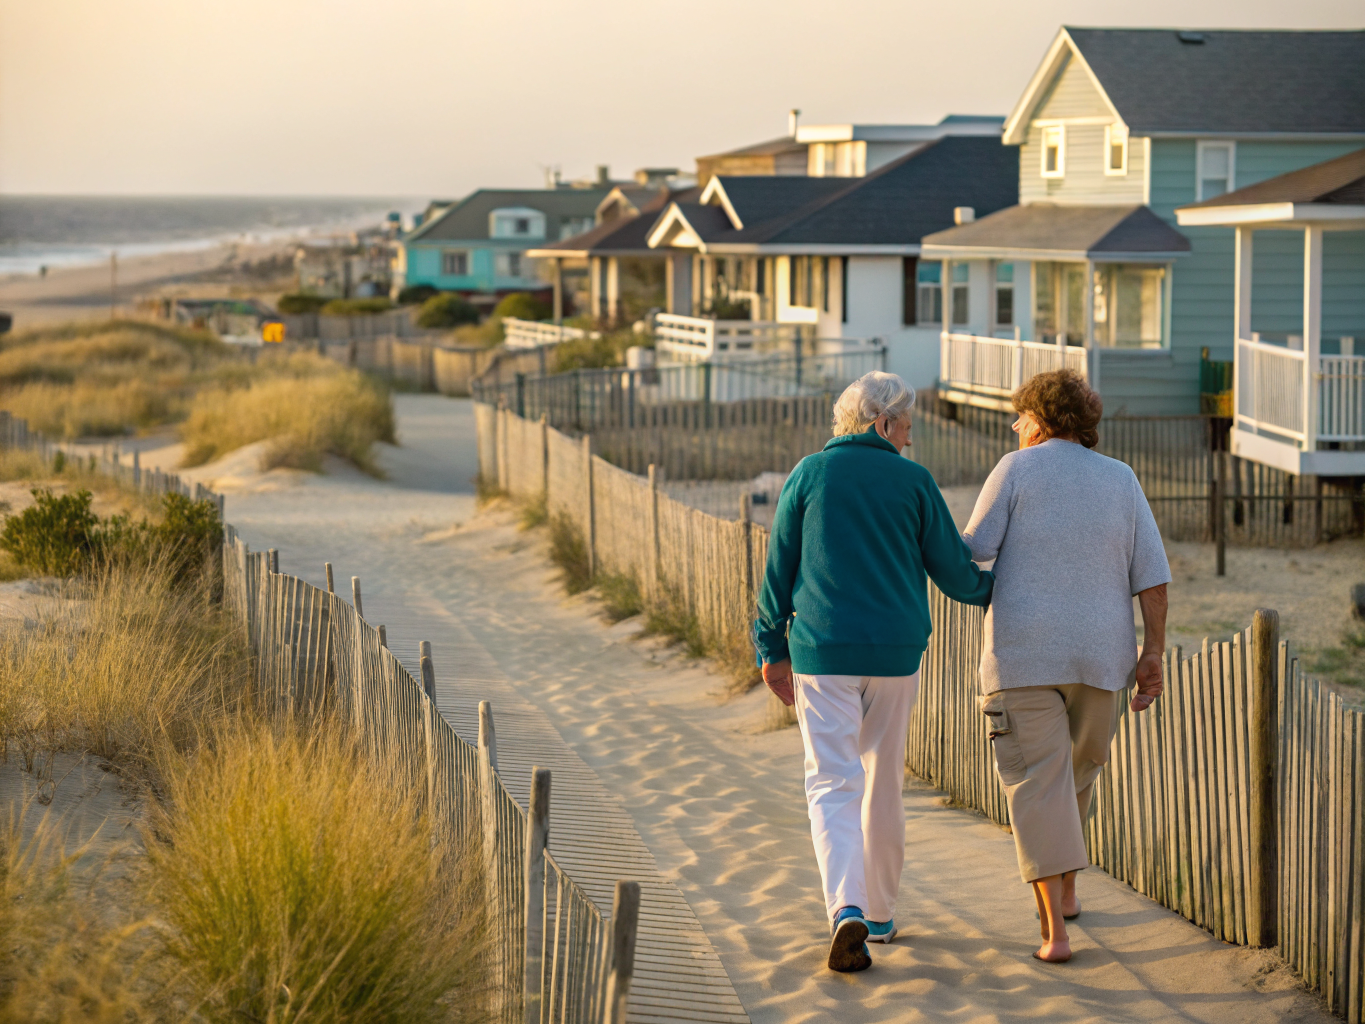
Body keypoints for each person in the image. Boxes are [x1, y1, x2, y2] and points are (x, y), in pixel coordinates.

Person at [753, 371, 994, 973]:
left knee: (832, 782)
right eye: (906, 426)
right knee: (883, 777)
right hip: (894, 655)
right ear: (883, 423)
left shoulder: (809, 474)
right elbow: (955, 573)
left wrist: (770, 648)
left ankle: (847, 908)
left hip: (822, 654)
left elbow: (778, 570)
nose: (910, 439)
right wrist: (1004, 588)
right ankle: (880, 916)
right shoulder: (914, 481)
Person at [961, 368, 1170, 964]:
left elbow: (973, 548)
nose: (1014, 426)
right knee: (1077, 776)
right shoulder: (1121, 478)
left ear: (1041, 419)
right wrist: (1152, 652)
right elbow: (1153, 578)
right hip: (1102, 659)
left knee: (1036, 784)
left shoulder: (1015, 469)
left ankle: (1054, 933)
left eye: (1020, 415)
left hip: (1023, 656)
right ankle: (1069, 890)